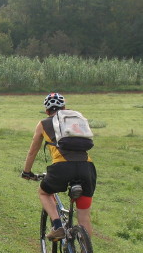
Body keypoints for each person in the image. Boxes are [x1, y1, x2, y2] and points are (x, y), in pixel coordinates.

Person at [21, 92, 97, 239]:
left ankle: (57, 226)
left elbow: (32, 152)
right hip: (87, 168)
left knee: (44, 193)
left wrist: (27, 172)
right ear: (64, 108)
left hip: (62, 168)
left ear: (47, 111)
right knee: (84, 216)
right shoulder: (75, 121)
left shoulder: (43, 124)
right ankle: (85, 252)